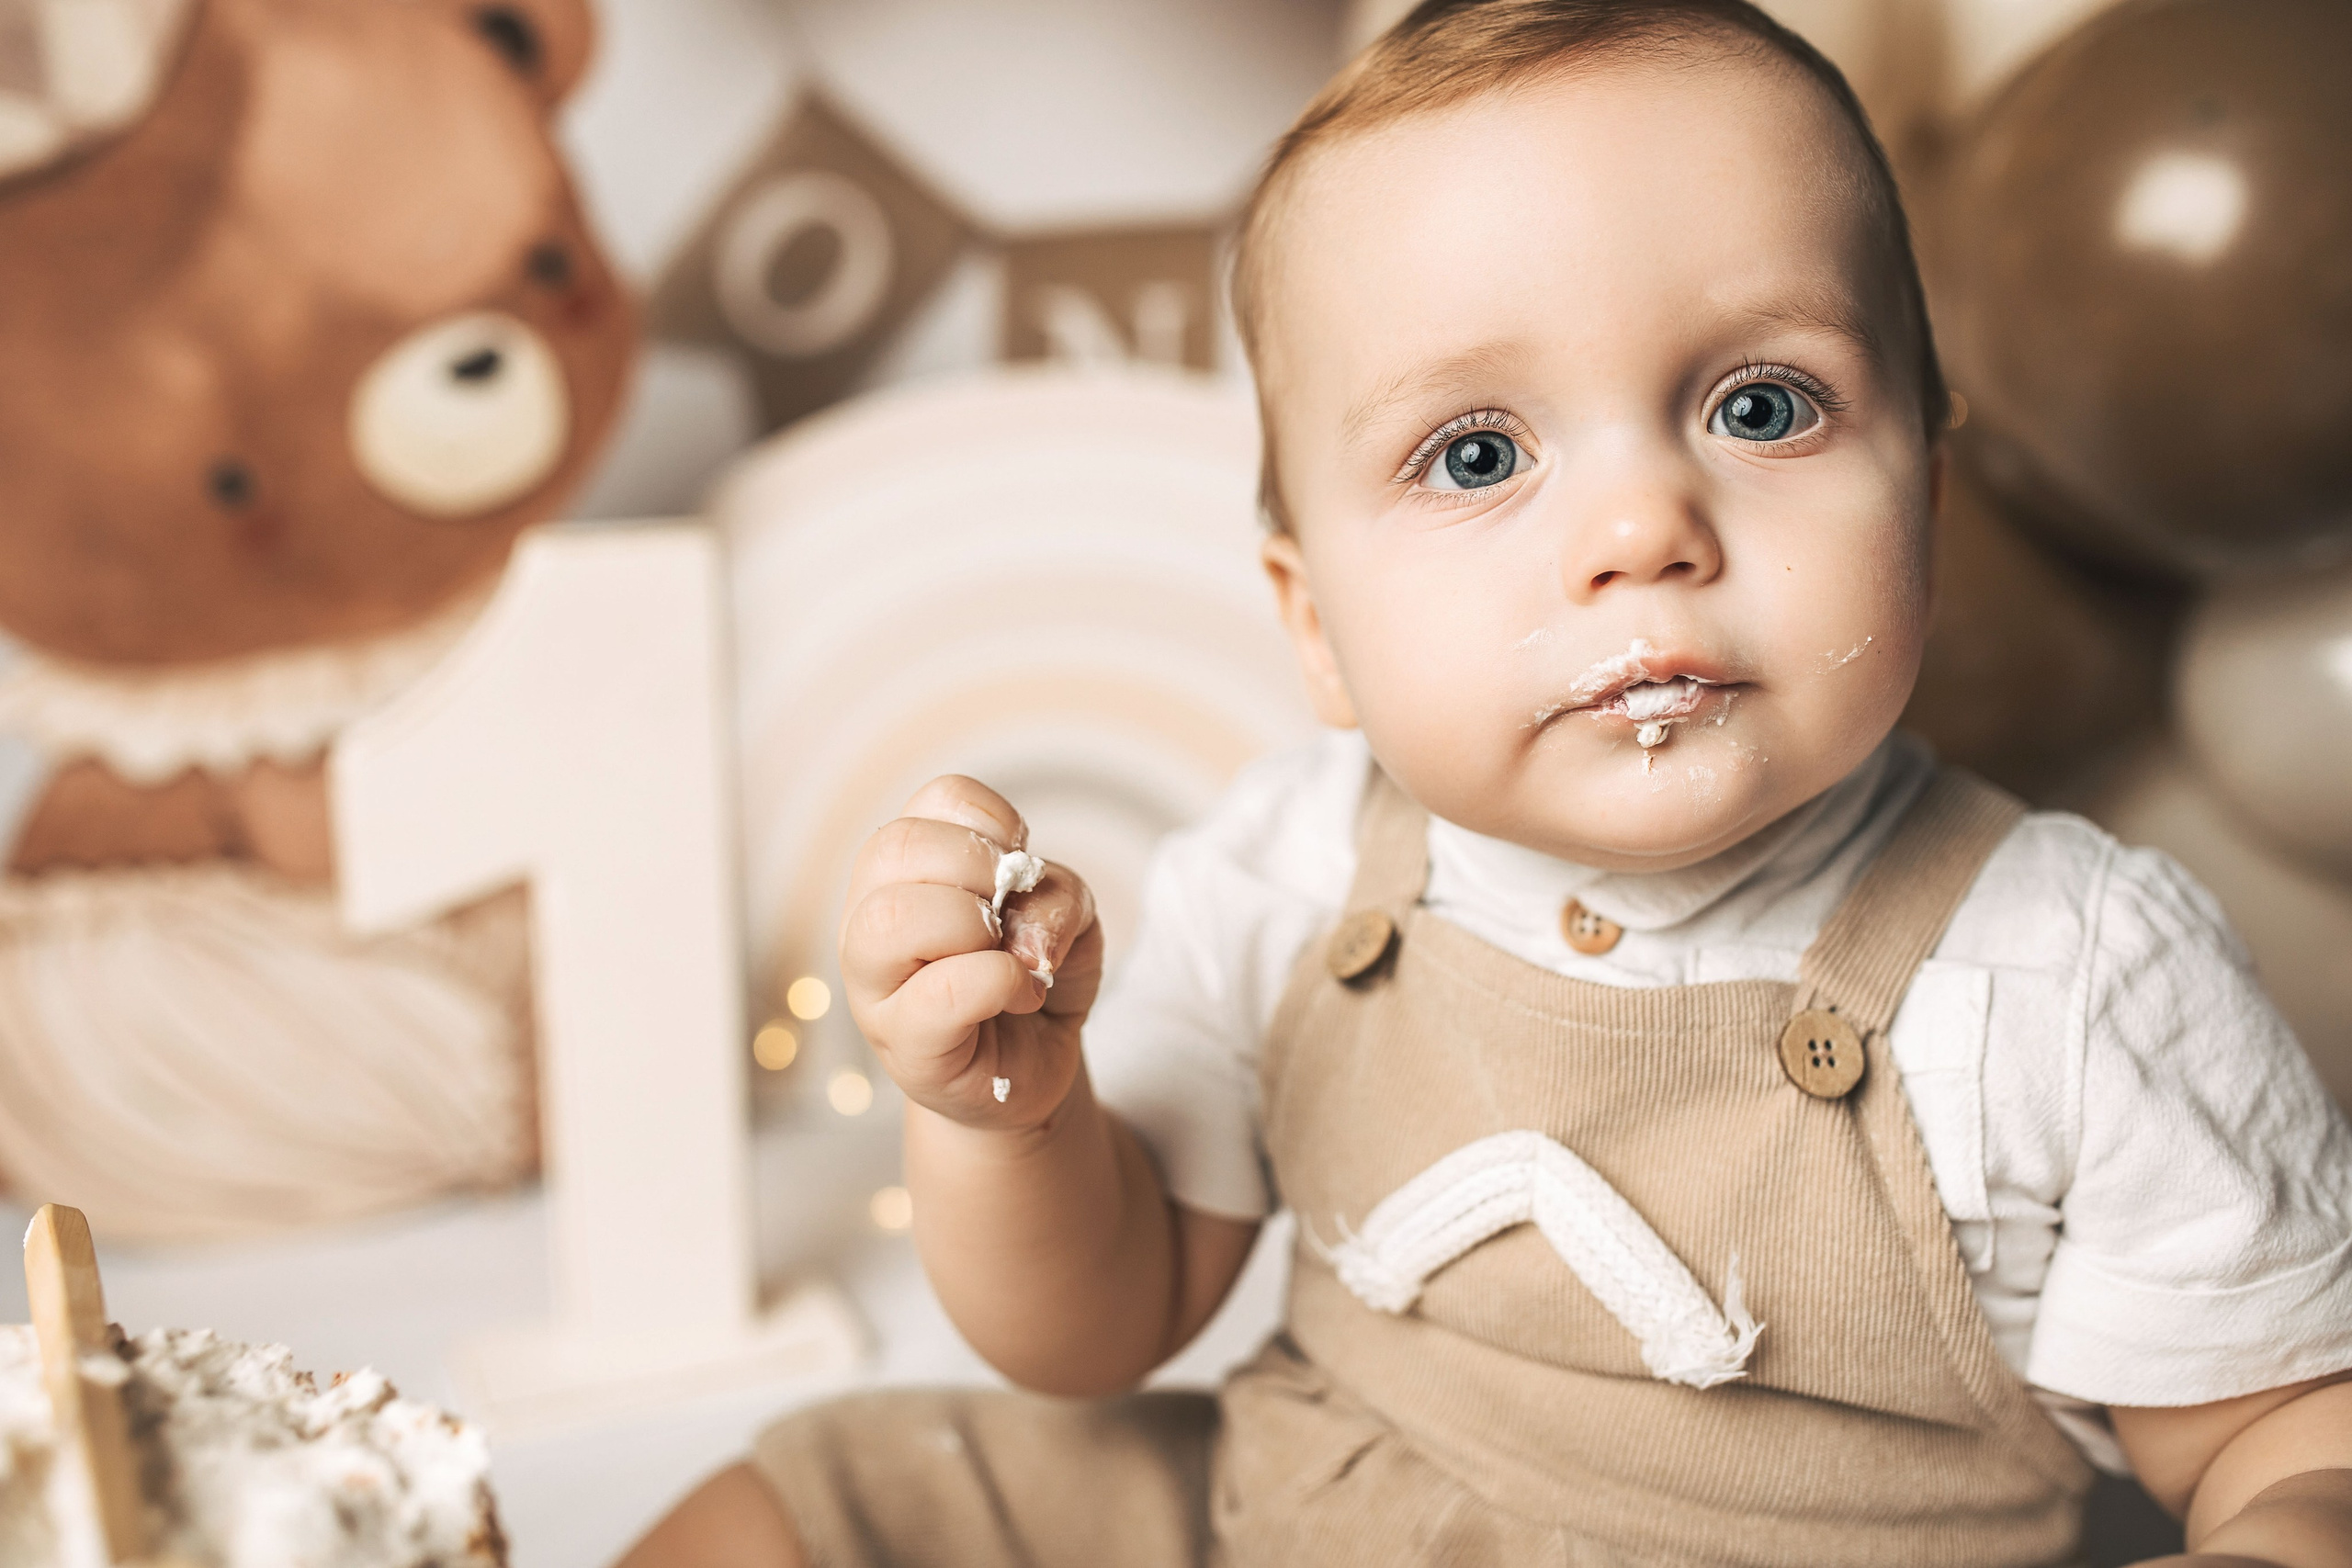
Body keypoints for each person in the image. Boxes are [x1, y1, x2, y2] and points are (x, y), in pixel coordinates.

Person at [617, 3, 2352, 1562]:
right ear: (1317, 629)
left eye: (1761, 408)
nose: (1639, 531)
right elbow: (1104, 1323)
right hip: (1289, 1511)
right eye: (1477, 454)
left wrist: (2286, 1519)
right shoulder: (1296, 869)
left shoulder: (2065, 975)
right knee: (819, 1498)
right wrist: (1010, 1116)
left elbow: (2279, 1432)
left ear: (1930, 498)